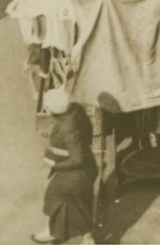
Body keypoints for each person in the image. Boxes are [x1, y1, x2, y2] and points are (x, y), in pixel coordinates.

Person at [31, 87, 97, 244]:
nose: (45, 108)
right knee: (71, 201)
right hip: (87, 168)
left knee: (61, 198)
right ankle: (57, 230)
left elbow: (77, 159)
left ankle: (84, 237)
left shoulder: (68, 128)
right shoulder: (74, 111)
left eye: (47, 106)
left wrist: (54, 163)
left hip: (77, 173)